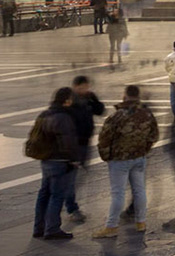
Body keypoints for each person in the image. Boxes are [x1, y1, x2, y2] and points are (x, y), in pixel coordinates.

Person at [92, 84, 158, 237]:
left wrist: (106, 156)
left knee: (118, 193)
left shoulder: (117, 116)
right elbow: (153, 135)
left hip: (119, 159)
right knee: (139, 190)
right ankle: (141, 222)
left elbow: (104, 139)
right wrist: (144, 150)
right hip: (139, 157)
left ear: (125, 95)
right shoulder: (147, 114)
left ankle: (112, 226)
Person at [28, 86, 83, 240]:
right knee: (57, 195)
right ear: (67, 101)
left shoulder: (44, 114)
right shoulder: (63, 117)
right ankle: (52, 228)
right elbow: (68, 142)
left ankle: (39, 227)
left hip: (46, 160)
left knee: (44, 194)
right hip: (60, 161)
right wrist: (74, 160)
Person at [61, 75, 106, 222]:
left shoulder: (88, 99)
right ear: (75, 87)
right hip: (73, 145)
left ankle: (67, 201)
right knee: (71, 178)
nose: (84, 90)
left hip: (85, 143)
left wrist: (94, 100)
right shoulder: (69, 101)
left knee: (77, 177)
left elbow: (100, 111)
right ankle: (71, 208)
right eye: (81, 88)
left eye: (86, 87)